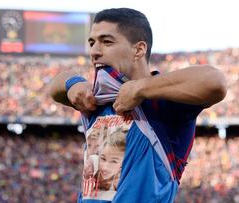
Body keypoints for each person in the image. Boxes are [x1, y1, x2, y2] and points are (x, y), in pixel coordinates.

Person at [48, 8, 227, 203]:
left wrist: (141, 88)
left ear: (139, 49)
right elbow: (55, 86)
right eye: (92, 43)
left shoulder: (162, 102)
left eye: (107, 42)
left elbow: (215, 81)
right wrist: (73, 84)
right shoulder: (98, 99)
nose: (94, 52)